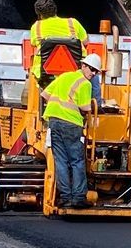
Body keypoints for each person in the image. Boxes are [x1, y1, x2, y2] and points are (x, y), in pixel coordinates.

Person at [43, 52, 103, 212]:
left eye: (96, 72)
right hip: (71, 124)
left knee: (61, 161)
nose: (94, 74)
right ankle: (77, 198)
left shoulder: (63, 77)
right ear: (83, 66)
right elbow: (85, 108)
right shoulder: (85, 84)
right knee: (77, 161)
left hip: (54, 122)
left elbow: (45, 95)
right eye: (92, 70)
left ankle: (65, 198)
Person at [27, 0, 88, 84]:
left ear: (39, 15)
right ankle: (97, 98)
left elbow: (33, 45)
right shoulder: (73, 22)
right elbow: (86, 42)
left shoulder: (36, 27)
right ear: (55, 10)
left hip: (45, 75)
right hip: (76, 73)